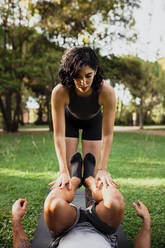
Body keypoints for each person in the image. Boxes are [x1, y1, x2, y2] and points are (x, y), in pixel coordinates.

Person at [12, 153, 151, 248]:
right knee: (116, 201)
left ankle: (75, 179)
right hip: (102, 231)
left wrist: (16, 220)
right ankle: (90, 179)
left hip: (64, 231)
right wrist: (146, 223)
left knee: (53, 204)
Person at [50, 46, 116, 190]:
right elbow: (59, 135)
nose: (83, 83)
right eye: (77, 77)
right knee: (68, 178)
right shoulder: (60, 92)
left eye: (88, 75)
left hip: (94, 122)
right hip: (70, 121)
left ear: (96, 70)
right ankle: (73, 183)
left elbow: (108, 134)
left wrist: (103, 169)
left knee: (91, 176)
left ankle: (89, 200)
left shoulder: (106, 92)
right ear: (70, 74)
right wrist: (62, 170)